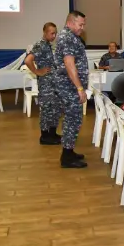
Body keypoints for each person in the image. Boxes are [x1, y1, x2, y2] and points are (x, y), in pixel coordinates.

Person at [54, 11, 89, 168]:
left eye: (83, 25)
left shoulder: (69, 36)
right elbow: (69, 64)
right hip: (69, 86)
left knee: (73, 119)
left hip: (69, 85)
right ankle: (67, 158)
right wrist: (79, 88)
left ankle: (69, 151)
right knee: (72, 119)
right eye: (80, 24)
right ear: (70, 23)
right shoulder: (68, 37)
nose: (82, 28)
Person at [25, 22, 62, 145]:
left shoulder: (48, 45)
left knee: (54, 109)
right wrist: (37, 71)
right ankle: (45, 136)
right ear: (45, 33)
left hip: (53, 84)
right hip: (46, 85)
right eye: (52, 33)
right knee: (46, 109)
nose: (54, 36)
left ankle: (52, 134)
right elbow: (28, 60)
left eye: (55, 33)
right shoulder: (40, 45)